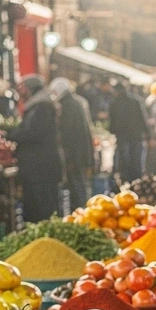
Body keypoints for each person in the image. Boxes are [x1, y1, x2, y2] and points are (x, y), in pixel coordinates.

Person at [8, 74, 64, 222]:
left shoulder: (41, 106)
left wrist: (9, 134)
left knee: (43, 213)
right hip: (39, 170)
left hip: (40, 170)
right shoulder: (38, 105)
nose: (20, 92)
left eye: (23, 88)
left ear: (30, 89)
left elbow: (32, 133)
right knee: (40, 211)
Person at [52, 77, 95, 210]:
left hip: (75, 153)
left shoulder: (68, 105)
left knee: (76, 185)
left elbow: (69, 132)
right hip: (80, 152)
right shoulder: (76, 102)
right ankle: (81, 211)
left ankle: (80, 213)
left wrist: (68, 155)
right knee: (79, 184)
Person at [108, 83, 149, 185]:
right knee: (136, 163)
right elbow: (143, 119)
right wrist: (148, 135)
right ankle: (137, 185)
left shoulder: (114, 103)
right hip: (137, 137)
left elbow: (112, 124)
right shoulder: (136, 101)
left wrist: (113, 131)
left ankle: (125, 186)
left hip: (122, 138)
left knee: (124, 164)